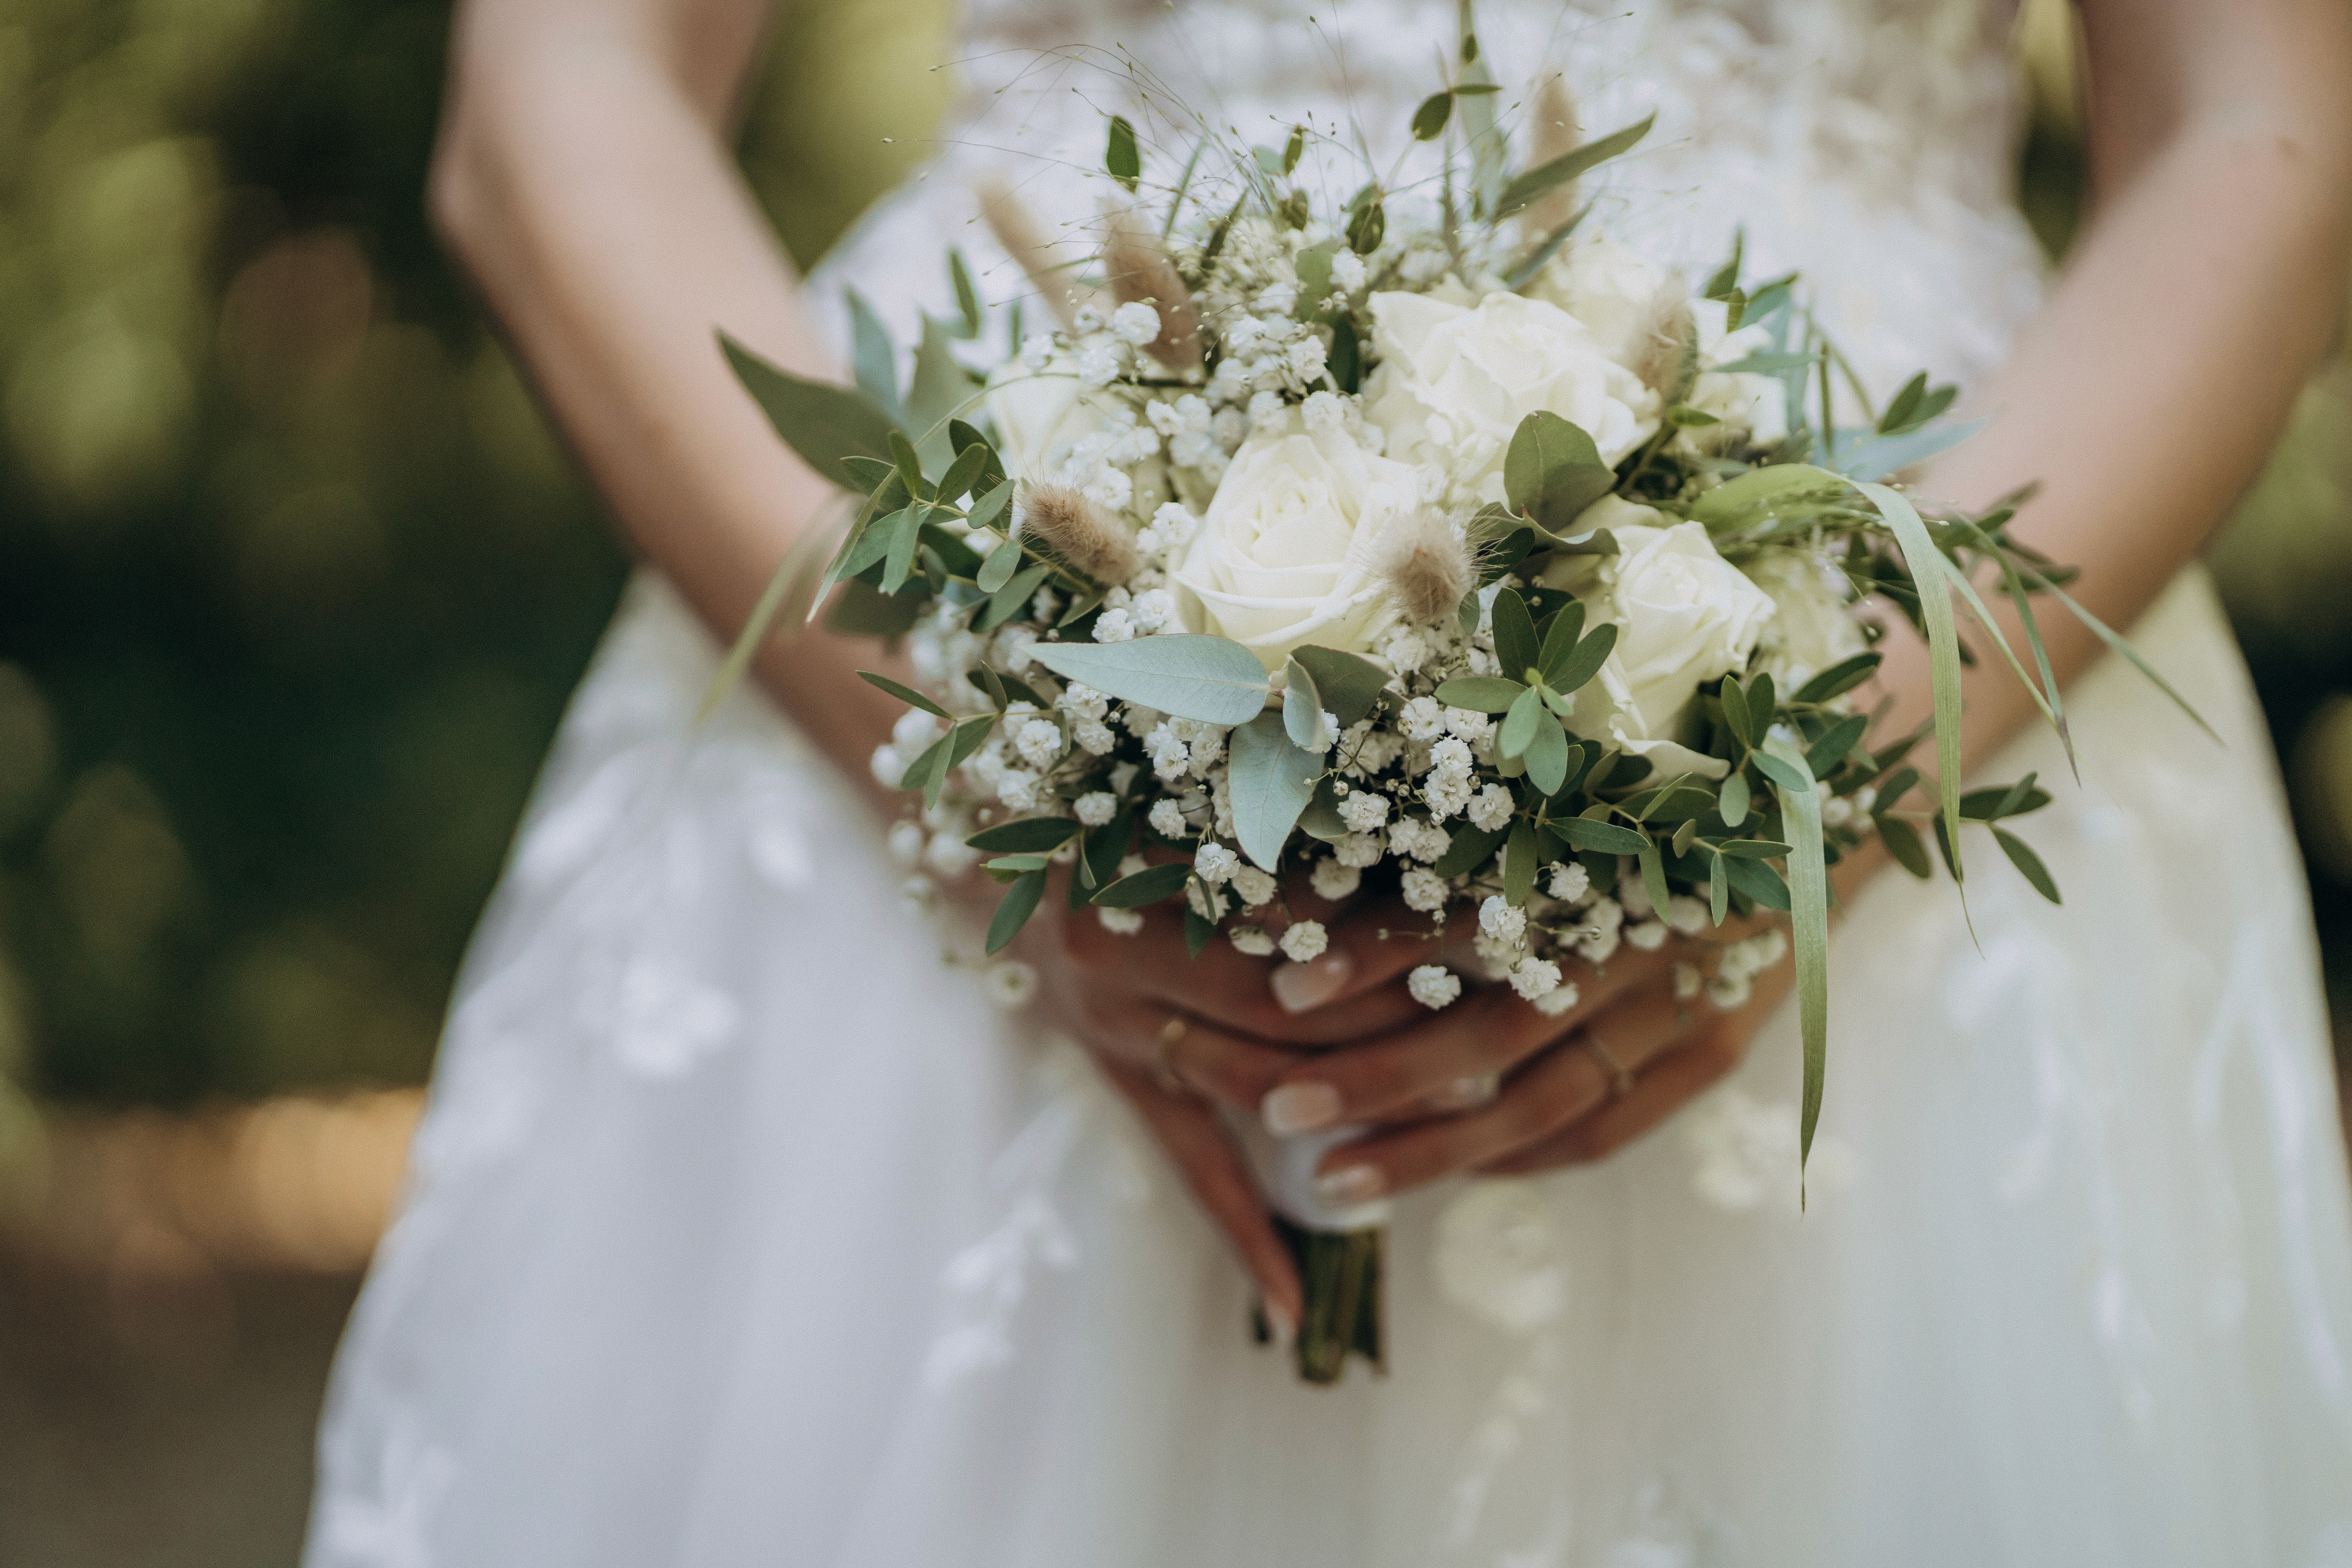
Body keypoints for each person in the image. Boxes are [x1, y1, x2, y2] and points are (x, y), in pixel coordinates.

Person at [305, 1, 2352, 1563]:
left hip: (1887, 592)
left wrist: (1811, 792)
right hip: (980, 567)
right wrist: (968, 739)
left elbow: (2262, 129)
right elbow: (560, 100)